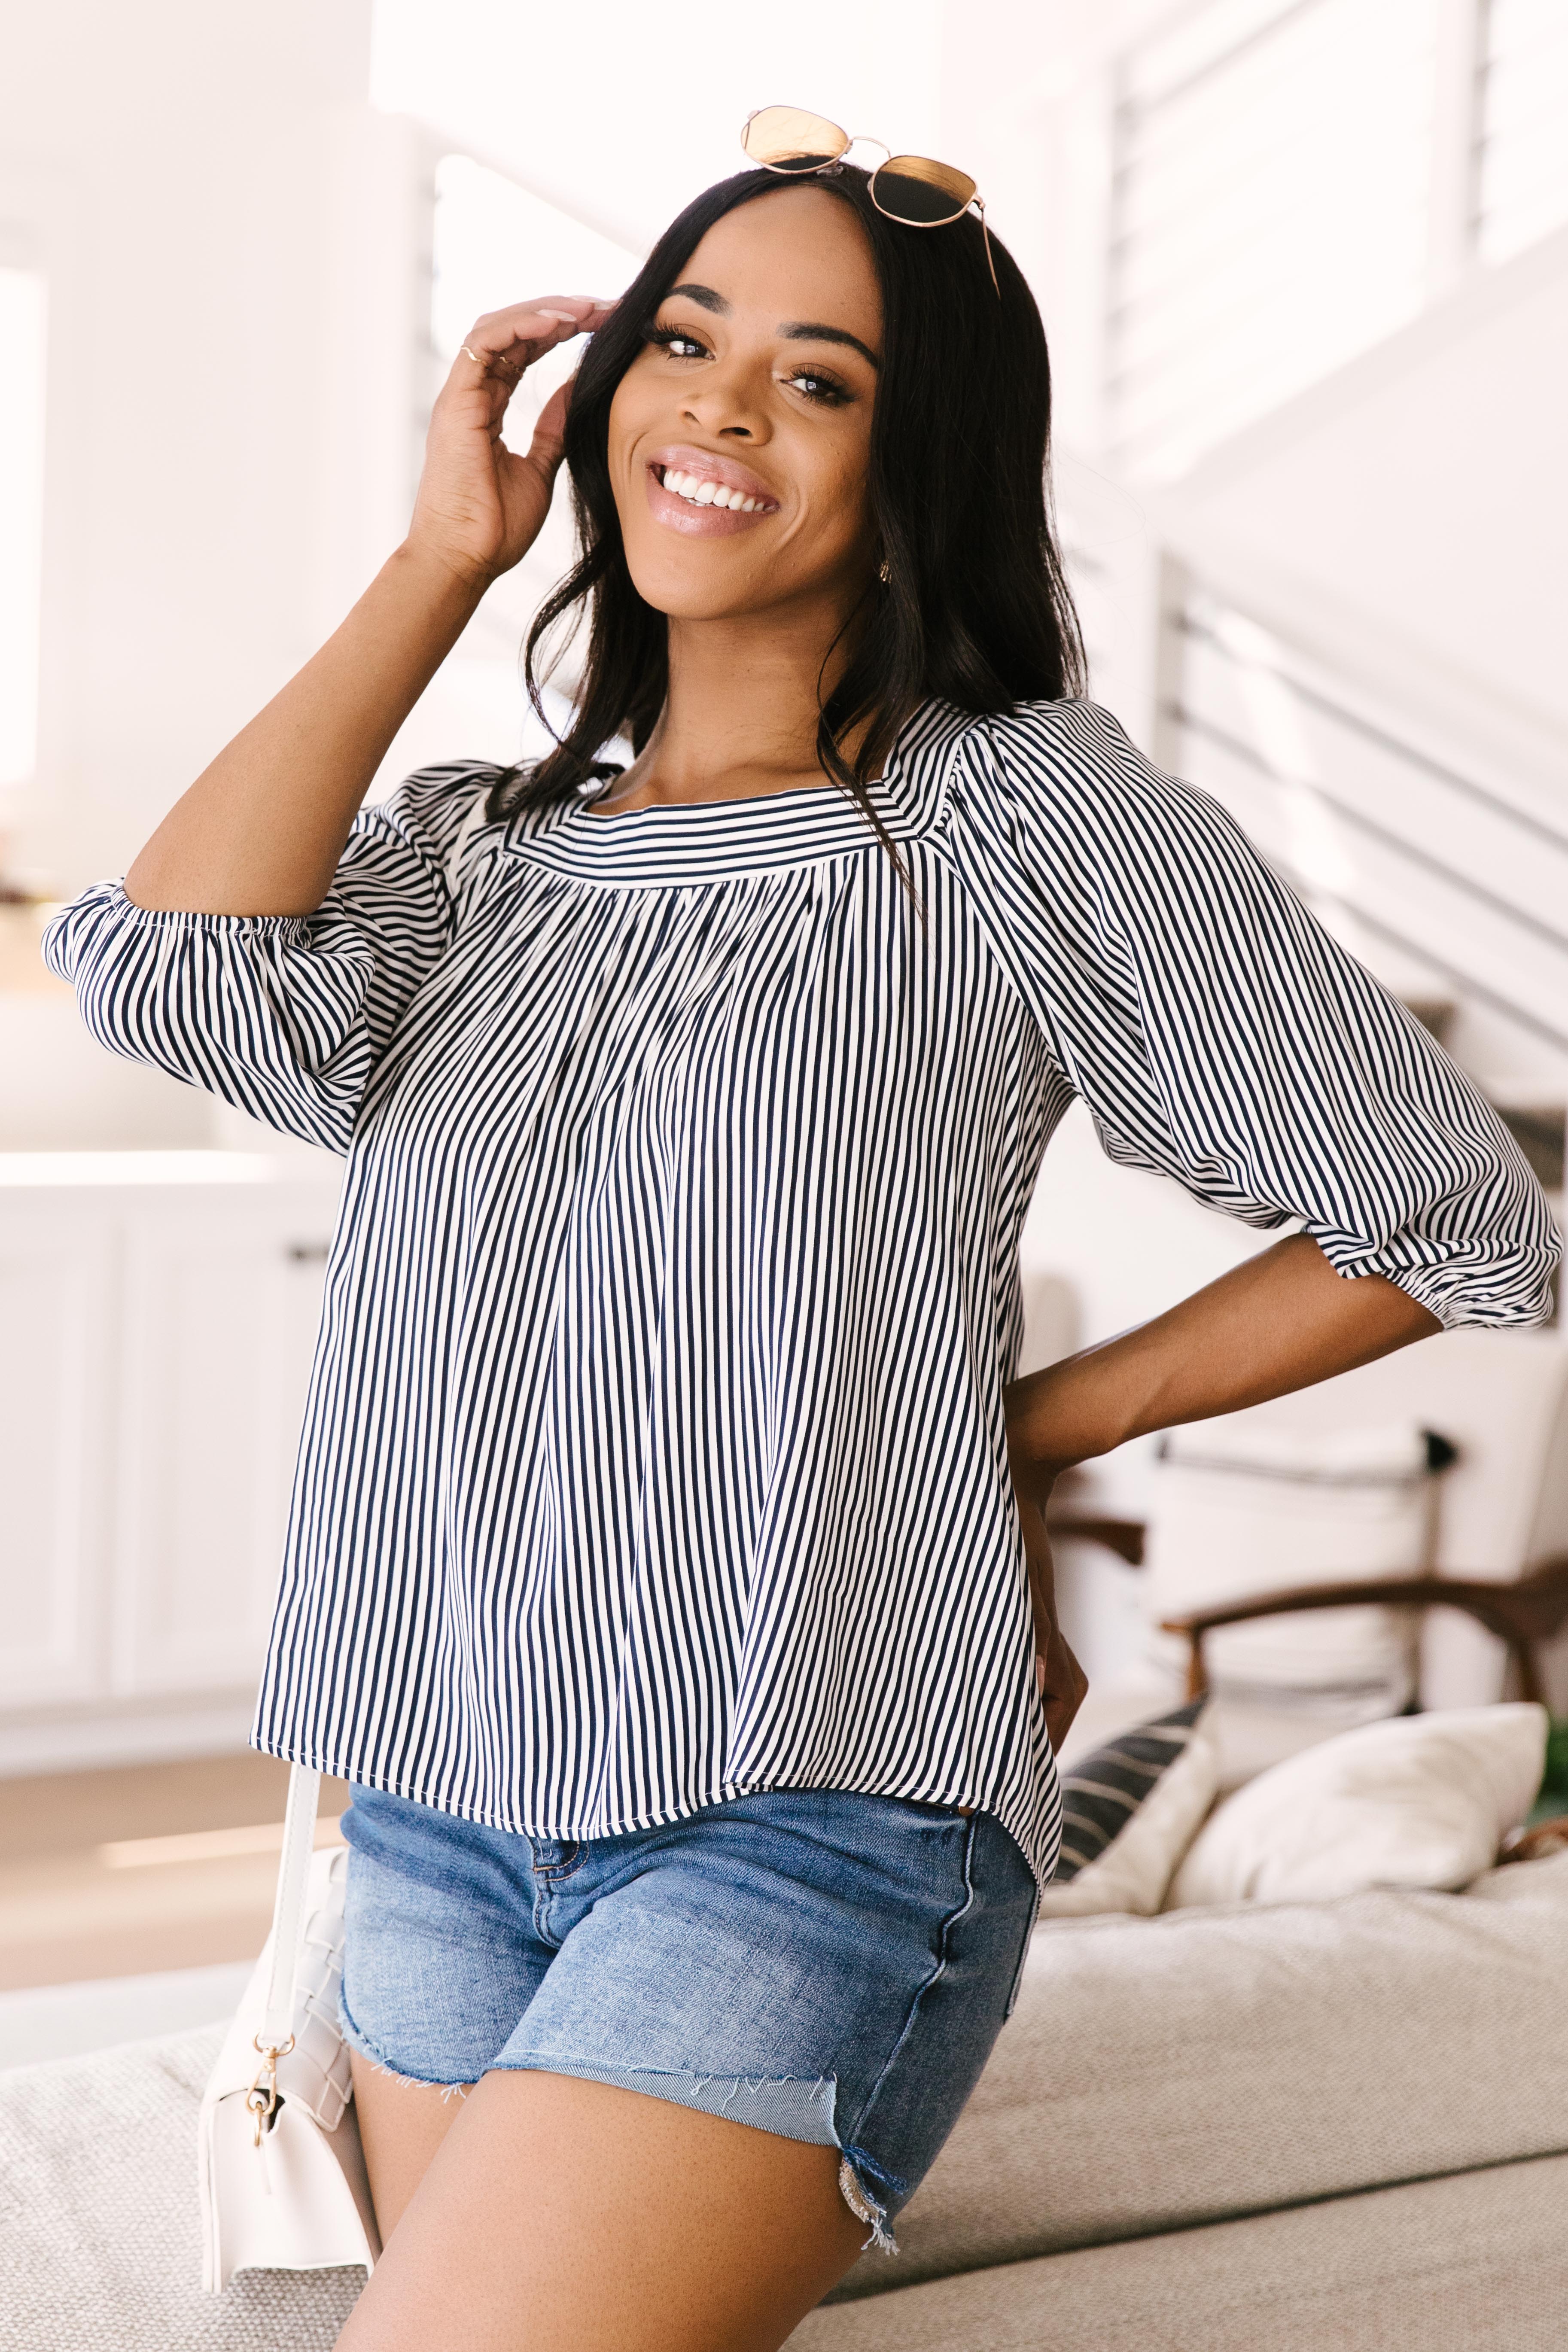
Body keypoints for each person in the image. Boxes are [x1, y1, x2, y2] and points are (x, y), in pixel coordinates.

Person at [46, 147, 1555, 2352]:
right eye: (685, 341)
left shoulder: (1019, 811)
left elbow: (1448, 1212)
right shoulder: (478, 852)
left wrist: (1027, 1424)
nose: (724, 409)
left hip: (810, 1814)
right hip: (437, 1801)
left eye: (816, 377)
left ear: (914, 451)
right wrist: (435, 558)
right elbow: (167, 975)